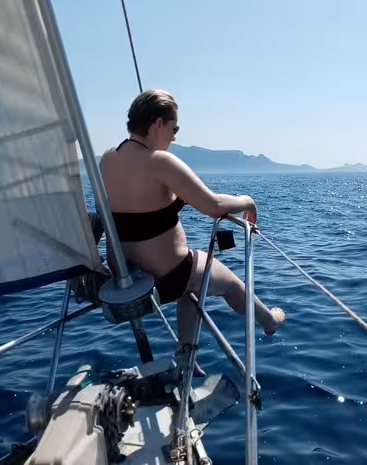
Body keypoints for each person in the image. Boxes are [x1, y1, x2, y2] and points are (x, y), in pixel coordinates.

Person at [99, 89, 285, 376]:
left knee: (194, 281)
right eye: (175, 128)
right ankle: (270, 321)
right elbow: (213, 205)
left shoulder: (108, 158)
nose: (174, 136)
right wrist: (248, 201)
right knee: (230, 284)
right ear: (158, 123)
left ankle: (187, 356)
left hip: (125, 272)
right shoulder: (159, 162)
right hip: (167, 276)